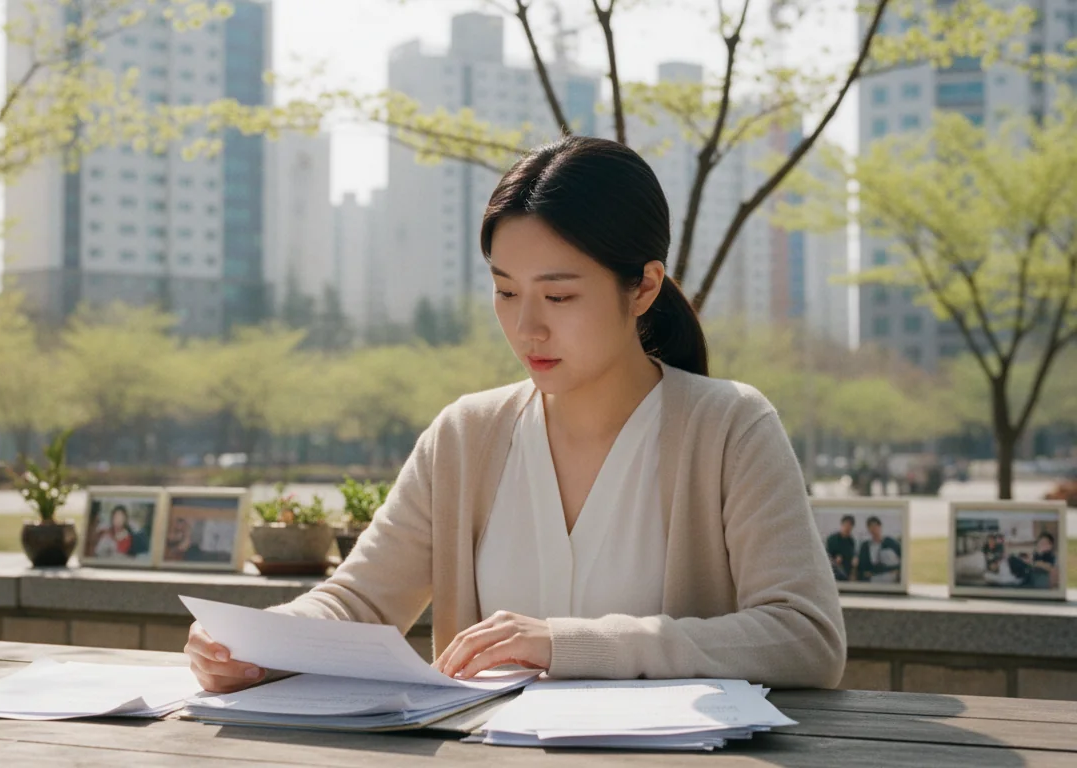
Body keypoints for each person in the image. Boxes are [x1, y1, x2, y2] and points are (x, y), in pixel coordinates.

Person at [184, 136, 846, 693]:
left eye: (558, 295)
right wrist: (256, 644)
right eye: (505, 291)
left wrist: (569, 645)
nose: (526, 327)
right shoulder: (465, 437)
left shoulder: (728, 426)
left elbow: (805, 637)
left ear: (643, 286)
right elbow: (358, 603)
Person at [855, 517, 902, 583]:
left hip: (890, 579)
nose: (873, 529)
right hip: (873, 580)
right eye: (870, 527)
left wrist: (896, 571)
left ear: (880, 527)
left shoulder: (891, 542)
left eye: (875, 526)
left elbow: (903, 560)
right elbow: (862, 567)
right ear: (868, 529)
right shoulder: (865, 546)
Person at [825, 515, 858, 581]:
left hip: (847, 573)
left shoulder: (851, 541)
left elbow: (852, 556)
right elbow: (827, 555)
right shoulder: (832, 539)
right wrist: (835, 559)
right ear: (842, 525)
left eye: (850, 526)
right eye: (846, 525)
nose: (847, 528)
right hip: (833, 572)